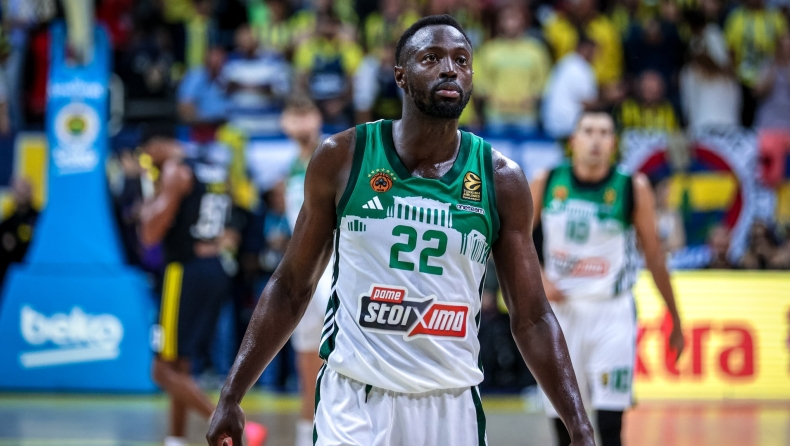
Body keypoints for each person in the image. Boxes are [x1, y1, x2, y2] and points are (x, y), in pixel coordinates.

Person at [207, 15, 595, 446]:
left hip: (450, 405)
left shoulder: (500, 179)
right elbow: (290, 286)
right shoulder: (343, 157)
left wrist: (579, 426)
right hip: (355, 401)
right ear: (400, 76)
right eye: (432, 58)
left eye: (462, 60)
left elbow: (533, 317)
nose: (450, 69)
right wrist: (232, 394)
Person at [530, 110, 684, 446]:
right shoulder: (547, 180)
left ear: (614, 143)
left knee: (611, 424)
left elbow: (655, 257)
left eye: (604, 132)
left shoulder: (633, 186)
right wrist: (539, 277)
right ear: (574, 140)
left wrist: (675, 317)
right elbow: (516, 240)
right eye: (588, 131)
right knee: (565, 424)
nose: (596, 140)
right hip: (561, 314)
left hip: (612, 311)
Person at [138, 124, 266, 446]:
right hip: (215, 267)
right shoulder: (212, 167)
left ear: (156, 145)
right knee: (180, 366)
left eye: (146, 154)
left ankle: (229, 424)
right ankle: (175, 440)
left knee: (160, 370)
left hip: (184, 270)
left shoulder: (174, 170)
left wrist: (150, 196)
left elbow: (150, 234)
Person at [278, 96, 333, 446]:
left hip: (332, 265)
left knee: (337, 354)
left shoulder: (327, 151)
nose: (299, 123)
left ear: (316, 118)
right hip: (303, 268)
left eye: (305, 116)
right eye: (293, 116)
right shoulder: (292, 165)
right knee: (306, 359)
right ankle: (305, 436)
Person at [474, 3, 551, 136]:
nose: (511, 23)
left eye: (515, 18)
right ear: (500, 23)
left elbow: (543, 80)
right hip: (496, 114)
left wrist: (532, 98)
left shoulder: (536, 50)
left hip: (526, 115)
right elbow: (481, 82)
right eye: (507, 19)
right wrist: (493, 98)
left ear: (524, 21)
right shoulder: (489, 50)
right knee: (495, 149)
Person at [542, 36, 599, 140]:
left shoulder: (565, 62)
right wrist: (610, 99)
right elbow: (588, 102)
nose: (595, 55)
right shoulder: (580, 68)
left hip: (550, 121)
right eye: (592, 51)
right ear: (583, 48)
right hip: (568, 124)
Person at [0, 178, 38, 285]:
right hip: (10, 276)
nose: (21, 194)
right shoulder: (7, 223)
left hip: (34, 271)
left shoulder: (40, 219)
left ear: (30, 192)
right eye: (17, 191)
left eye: (24, 190)